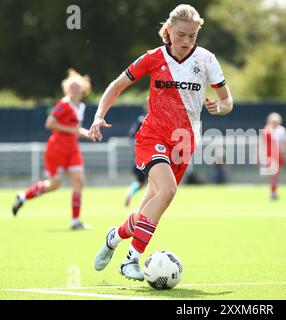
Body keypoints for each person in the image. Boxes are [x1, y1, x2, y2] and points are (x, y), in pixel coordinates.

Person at [89, 4, 233, 281]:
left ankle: (113, 238)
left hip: (184, 144)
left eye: (192, 36)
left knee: (147, 211)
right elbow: (117, 85)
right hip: (152, 137)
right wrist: (98, 117)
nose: (187, 41)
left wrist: (221, 107)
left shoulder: (206, 60)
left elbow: (227, 100)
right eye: (181, 35)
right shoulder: (153, 58)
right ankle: (131, 260)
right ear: (168, 31)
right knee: (167, 191)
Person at [11, 69, 93, 230]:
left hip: (73, 149)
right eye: (72, 86)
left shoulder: (81, 106)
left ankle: (75, 221)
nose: (75, 89)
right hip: (57, 149)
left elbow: (76, 129)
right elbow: (50, 123)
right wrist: (74, 131)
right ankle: (22, 197)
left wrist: (88, 133)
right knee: (54, 185)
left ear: (83, 88)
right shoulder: (63, 104)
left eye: (78, 86)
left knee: (79, 181)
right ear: (67, 88)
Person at [260, 112, 286, 200]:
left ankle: (273, 191)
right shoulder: (266, 130)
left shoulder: (282, 130)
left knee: (276, 175)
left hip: (279, 156)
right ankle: (273, 192)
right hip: (270, 156)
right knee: (273, 174)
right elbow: (262, 144)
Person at [124, 102, 149, 207]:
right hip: (148, 156)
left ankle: (131, 191)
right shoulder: (143, 120)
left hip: (140, 157)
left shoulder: (141, 119)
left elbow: (131, 137)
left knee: (141, 182)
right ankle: (146, 205)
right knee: (154, 182)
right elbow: (132, 137)